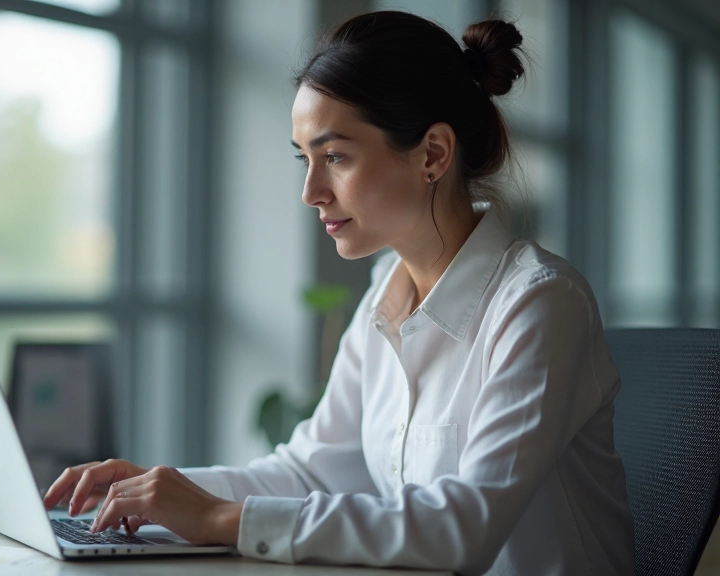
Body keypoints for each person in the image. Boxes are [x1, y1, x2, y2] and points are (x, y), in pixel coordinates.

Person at [42, 10, 636, 576]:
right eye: (305, 158)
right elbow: (311, 471)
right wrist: (158, 491)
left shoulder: (539, 303)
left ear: (433, 153)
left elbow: (465, 526)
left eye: (335, 157)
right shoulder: (387, 292)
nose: (311, 191)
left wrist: (219, 518)